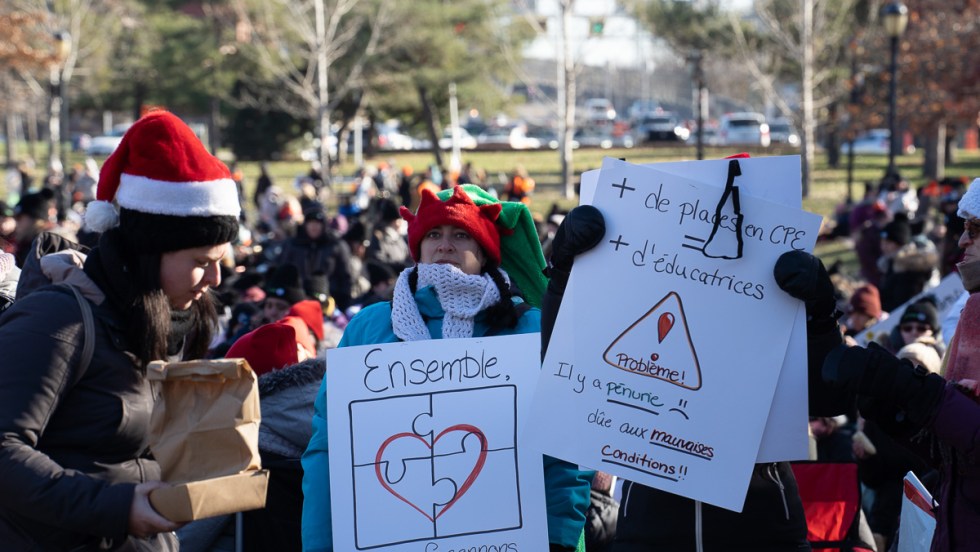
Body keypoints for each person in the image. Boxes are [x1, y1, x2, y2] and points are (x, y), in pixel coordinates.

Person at [544, 206, 861, 551]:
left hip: (764, 530)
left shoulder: (777, 306)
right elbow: (564, 367)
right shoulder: (644, 306)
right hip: (649, 529)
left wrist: (820, 316)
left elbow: (829, 399)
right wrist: (563, 278)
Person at [301, 184, 593, 552]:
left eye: (461, 234)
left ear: (485, 251)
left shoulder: (529, 329)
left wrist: (557, 539)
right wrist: (319, 543)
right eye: (434, 234)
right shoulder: (368, 328)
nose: (445, 245)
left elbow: (563, 449)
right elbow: (329, 448)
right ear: (417, 248)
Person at [0, 110, 241, 550]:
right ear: (148, 253)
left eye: (220, 261)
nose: (215, 280)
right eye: (202, 262)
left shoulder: (166, 320)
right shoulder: (58, 322)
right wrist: (116, 506)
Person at [778, 178, 980, 551]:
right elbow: (959, 459)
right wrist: (891, 410)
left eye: (975, 229)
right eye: (963, 228)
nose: (962, 240)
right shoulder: (971, 314)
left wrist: (911, 389)